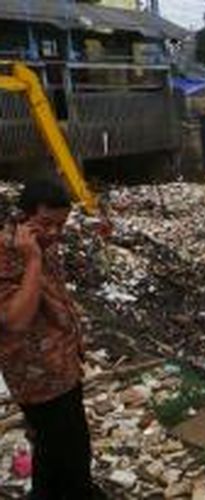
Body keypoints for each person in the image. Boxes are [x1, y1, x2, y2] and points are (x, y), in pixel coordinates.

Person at [0, 180, 103, 499]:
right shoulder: (10, 254)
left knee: (54, 447)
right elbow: (15, 320)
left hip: (63, 366)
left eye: (61, 225)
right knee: (70, 453)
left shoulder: (45, 241)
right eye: (47, 224)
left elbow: (56, 292)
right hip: (35, 377)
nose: (55, 233)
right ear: (24, 217)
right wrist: (32, 262)